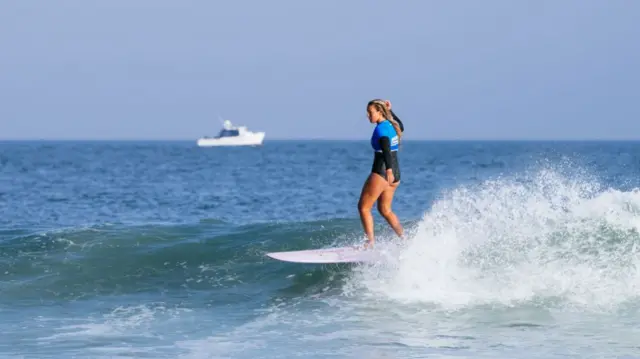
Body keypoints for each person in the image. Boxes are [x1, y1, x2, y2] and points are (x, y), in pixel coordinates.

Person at [358, 99, 405, 249]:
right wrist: (391, 111)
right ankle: (404, 239)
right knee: (385, 209)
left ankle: (370, 243)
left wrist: (388, 170)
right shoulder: (392, 125)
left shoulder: (381, 130)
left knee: (364, 207)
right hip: (395, 174)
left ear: (379, 112)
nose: (368, 116)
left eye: (370, 112)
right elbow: (401, 127)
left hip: (383, 172)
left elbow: (385, 148)